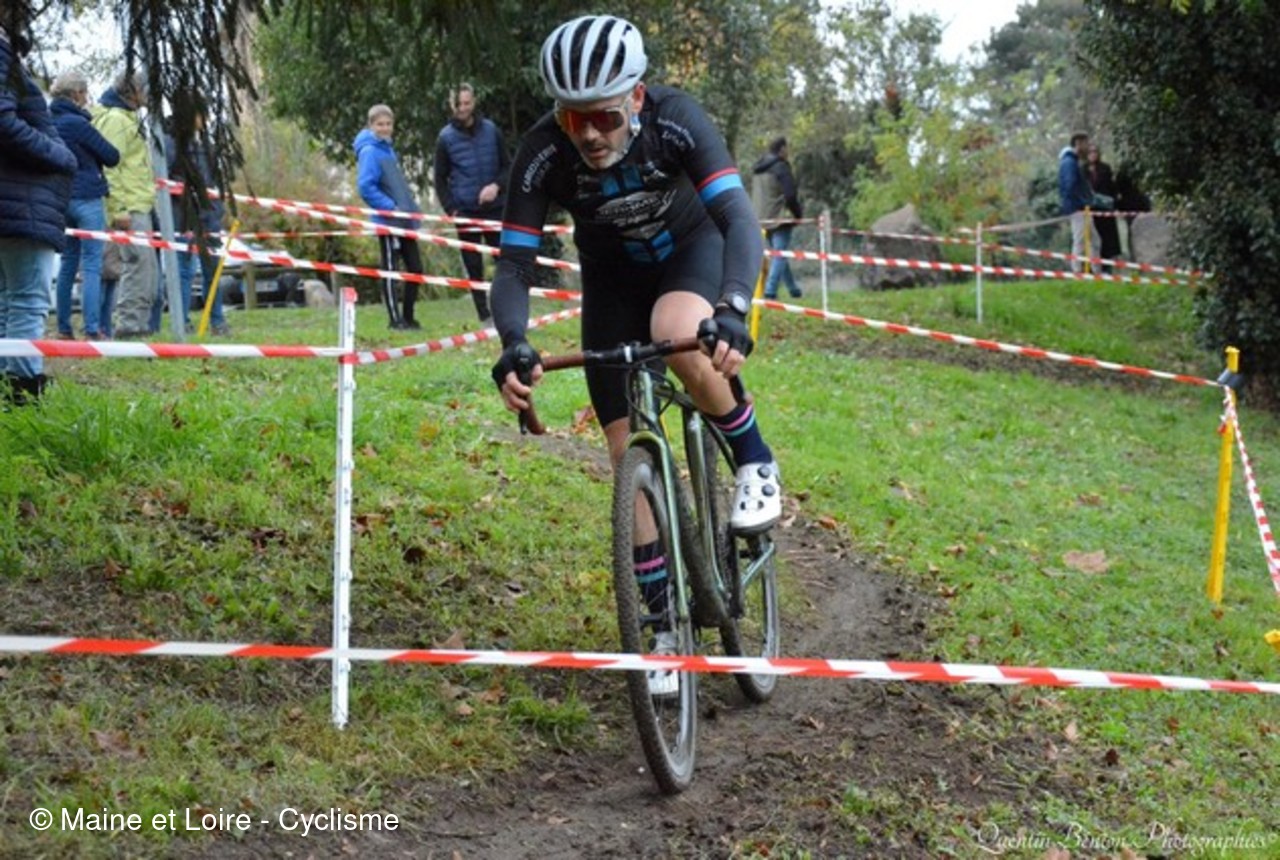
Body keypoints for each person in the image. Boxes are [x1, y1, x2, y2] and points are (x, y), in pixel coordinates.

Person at [489, 15, 782, 694]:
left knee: (677, 328)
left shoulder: (677, 121)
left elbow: (739, 219)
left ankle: (755, 460)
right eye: (574, 119)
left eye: (606, 117)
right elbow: (514, 265)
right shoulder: (543, 152)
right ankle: (660, 627)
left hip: (692, 253)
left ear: (638, 98)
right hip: (612, 284)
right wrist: (513, 343)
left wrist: (733, 308)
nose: (590, 134)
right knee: (625, 450)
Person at [0, 14, 76, 405]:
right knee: (28, 300)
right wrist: (60, 155)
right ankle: (23, 394)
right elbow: (3, 120)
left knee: (7, 301)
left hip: (12, 201)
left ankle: (7, 388)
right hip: (21, 201)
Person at [49, 70, 119, 340]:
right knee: (91, 264)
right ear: (77, 94)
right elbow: (111, 155)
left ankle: (64, 328)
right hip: (87, 197)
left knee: (67, 263)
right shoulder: (78, 124)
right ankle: (92, 329)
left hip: (61, 198)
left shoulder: (47, 122)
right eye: (85, 93)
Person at [433, 82, 509, 323]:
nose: (463, 108)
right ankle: (484, 315)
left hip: (495, 209)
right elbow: (439, 179)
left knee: (504, 262)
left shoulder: (492, 130)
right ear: (451, 105)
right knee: (473, 266)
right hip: (466, 212)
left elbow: (507, 167)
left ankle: (507, 310)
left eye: (467, 103)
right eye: (458, 104)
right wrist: (452, 210)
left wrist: (496, 186)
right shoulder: (445, 138)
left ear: (474, 102)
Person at [92, 71, 158, 338]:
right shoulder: (116, 120)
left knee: (145, 268)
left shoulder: (128, 118)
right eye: (146, 89)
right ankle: (129, 326)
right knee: (136, 264)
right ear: (133, 91)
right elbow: (110, 167)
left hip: (139, 202)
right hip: (129, 205)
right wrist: (118, 209)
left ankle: (138, 324)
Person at [353, 103, 422, 330]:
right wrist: (390, 207)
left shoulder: (389, 150)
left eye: (388, 124)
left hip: (405, 220)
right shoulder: (369, 151)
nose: (384, 128)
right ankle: (395, 319)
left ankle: (409, 316)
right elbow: (366, 186)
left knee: (416, 268)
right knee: (391, 271)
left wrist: (411, 210)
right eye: (380, 124)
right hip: (388, 222)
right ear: (371, 125)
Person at [165, 110, 230, 335]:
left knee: (212, 269)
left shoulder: (207, 146)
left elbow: (216, 180)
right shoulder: (171, 144)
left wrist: (217, 210)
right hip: (183, 216)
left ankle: (217, 321)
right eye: (200, 114)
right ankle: (182, 321)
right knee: (184, 270)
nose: (204, 119)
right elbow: (166, 180)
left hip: (209, 217)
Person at [751, 136, 803, 299]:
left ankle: (793, 289)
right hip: (780, 217)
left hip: (761, 217)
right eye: (787, 148)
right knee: (780, 254)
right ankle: (770, 290)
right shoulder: (781, 167)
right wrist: (798, 214)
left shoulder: (758, 169)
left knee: (779, 253)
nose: (788, 151)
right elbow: (790, 195)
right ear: (782, 149)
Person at [1057, 132, 1093, 274]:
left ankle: (1096, 270)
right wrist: (1080, 201)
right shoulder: (1069, 163)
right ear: (1078, 143)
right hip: (1077, 208)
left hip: (1082, 207)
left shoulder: (1074, 161)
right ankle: (1077, 271)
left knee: (1094, 240)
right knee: (1079, 239)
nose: (1088, 147)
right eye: (1086, 143)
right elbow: (1069, 185)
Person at [1085, 142, 1120, 273]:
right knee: (1090, 239)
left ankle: (1107, 267)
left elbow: (1112, 188)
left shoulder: (1105, 168)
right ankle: (1091, 267)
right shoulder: (1083, 170)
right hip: (1090, 210)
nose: (1093, 154)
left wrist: (1113, 203)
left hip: (1105, 210)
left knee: (1107, 239)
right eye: (1090, 152)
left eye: (1095, 151)